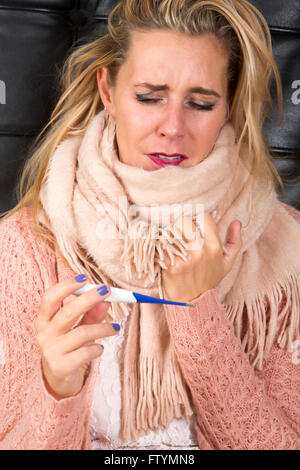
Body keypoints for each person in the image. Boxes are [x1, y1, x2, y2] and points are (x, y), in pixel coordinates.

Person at [0, 0, 299, 450]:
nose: (172, 127)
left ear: (229, 107)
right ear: (108, 92)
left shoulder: (287, 250)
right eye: (149, 97)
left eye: (200, 103)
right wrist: (57, 387)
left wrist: (197, 309)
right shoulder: (29, 243)